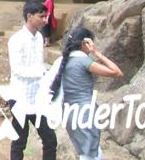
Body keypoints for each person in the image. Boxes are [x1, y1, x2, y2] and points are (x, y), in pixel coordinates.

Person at [48, 27, 123, 160]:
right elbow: (116, 72)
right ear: (85, 43)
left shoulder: (63, 61)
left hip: (70, 113)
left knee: (90, 152)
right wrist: (97, 53)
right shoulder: (83, 61)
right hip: (85, 113)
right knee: (89, 155)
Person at [6, 0, 57, 160]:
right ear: (29, 16)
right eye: (41, 16)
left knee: (50, 139)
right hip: (20, 98)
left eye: (45, 16)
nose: (45, 20)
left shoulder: (39, 38)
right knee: (19, 141)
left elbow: (39, 64)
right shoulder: (17, 40)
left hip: (37, 99)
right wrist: (41, 73)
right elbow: (17, 69)